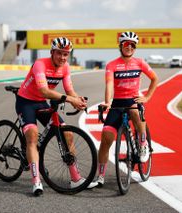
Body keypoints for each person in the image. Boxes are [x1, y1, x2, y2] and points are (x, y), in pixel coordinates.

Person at [16, 37, 89, 196]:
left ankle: (75, 177)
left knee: (67, 134)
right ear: (52, 52)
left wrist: (77, 99)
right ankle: (36, 181)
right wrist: (70, 100)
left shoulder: (65, 67)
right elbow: (44, 91)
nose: (62, 57)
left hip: (41, 103)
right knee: (32, 137)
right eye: (59, 54)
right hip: (26, 102)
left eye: (66, 54)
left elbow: (69, 90)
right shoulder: (40, 64)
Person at [93, 31, 159, 187]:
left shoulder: (140, 62)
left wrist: (147, 97)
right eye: (126, 44)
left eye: (133, 45)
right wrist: (108, 102)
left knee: (135, 111)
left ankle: (142, 145)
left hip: (133, 100)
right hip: (117, 103)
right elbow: (109, 84)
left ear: (135, 47)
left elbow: (155, 78)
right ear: (120, 46)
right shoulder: (112, 65)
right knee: (106, 138)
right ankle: (100, 177)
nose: (129, 47)